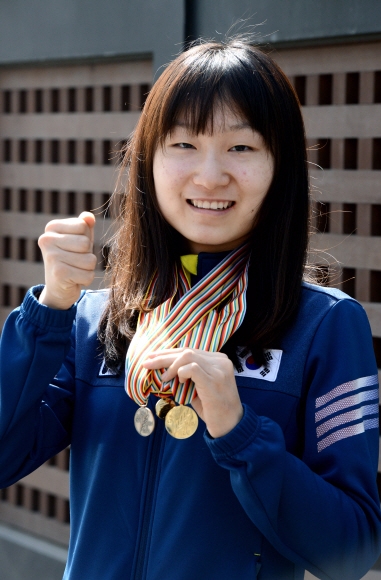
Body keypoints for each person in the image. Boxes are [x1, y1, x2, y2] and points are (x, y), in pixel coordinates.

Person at [0, 39, 380, 580]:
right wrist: (49, 311)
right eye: (183, 144)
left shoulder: (325, 325)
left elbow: (353, 549)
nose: (209, 175)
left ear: (281, 167)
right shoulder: (95, 320)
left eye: (241, 148)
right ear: (148, 161)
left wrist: (240, 431)